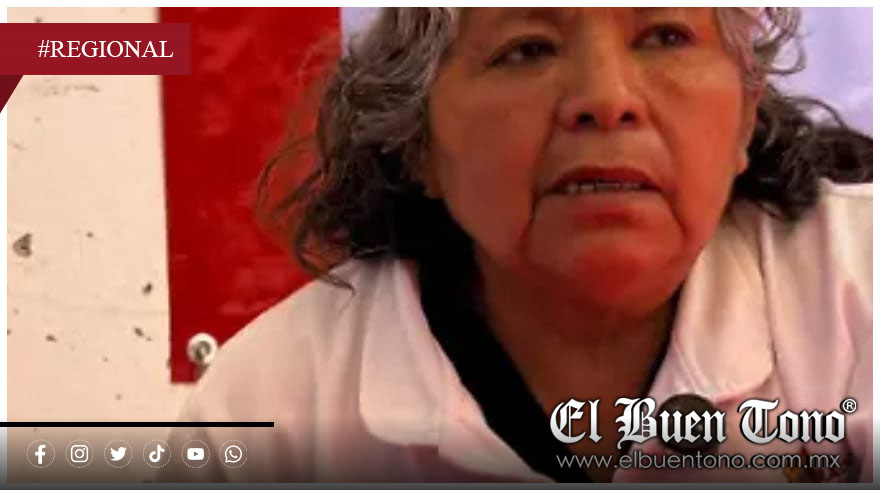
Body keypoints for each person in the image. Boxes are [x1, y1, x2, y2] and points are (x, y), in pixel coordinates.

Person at [162, 7, 872, 483]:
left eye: (664, 36)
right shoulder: (274, 409)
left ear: (747, 111)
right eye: (527, 49)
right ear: (417, 142)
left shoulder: (856, 289)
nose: (606, 98)